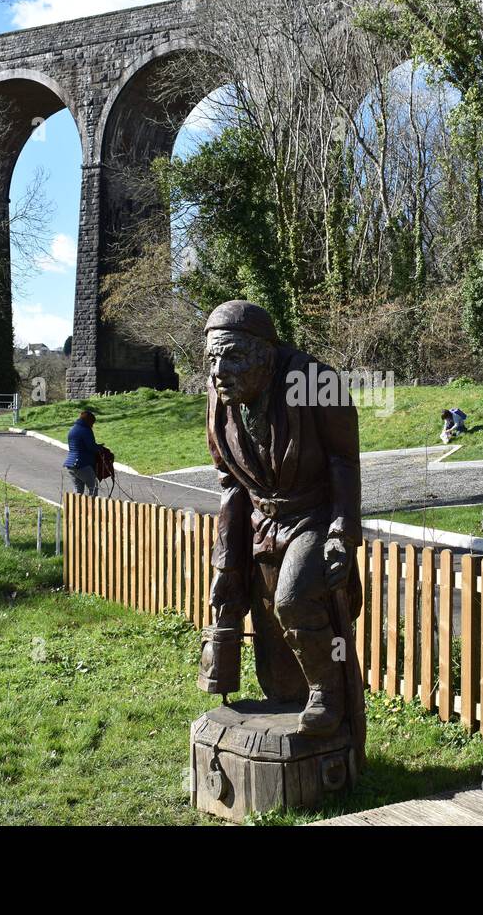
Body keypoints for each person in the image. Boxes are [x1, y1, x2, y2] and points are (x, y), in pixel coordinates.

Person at [202, 300, 363, 737]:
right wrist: (226, 563)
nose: (219, 371)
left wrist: (342, 536)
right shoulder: (221, 397)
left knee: (293, 598)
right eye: (213, 359)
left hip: (314, 514)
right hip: (260, 522)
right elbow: (231, 484)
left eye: (233, 357)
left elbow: (344, 461)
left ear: (264, 355)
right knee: (273, 644)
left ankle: (328, 693)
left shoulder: (315, 381)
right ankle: (292, 696)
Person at [64, 409, 100, 496]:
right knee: (93, 487)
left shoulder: (72, 429)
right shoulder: (86, 430)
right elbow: (91, 447)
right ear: (89, 421)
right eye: (92, 423)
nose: (92, 425)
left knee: (78, 490)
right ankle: (92, 508)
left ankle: (75, 509)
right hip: (82, 464)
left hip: (70, 464)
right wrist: (100, 448)